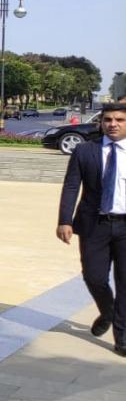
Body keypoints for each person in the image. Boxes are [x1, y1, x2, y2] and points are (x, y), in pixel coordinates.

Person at [57, 102, 126, 356]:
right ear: (101, 122)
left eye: (119, 119)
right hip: (94, 224)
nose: (113, 124)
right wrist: (64, 220)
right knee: (94, 277)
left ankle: (122, 337)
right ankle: (107, 311)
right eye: (108, 119)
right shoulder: (85, 151)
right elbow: (71, 186)